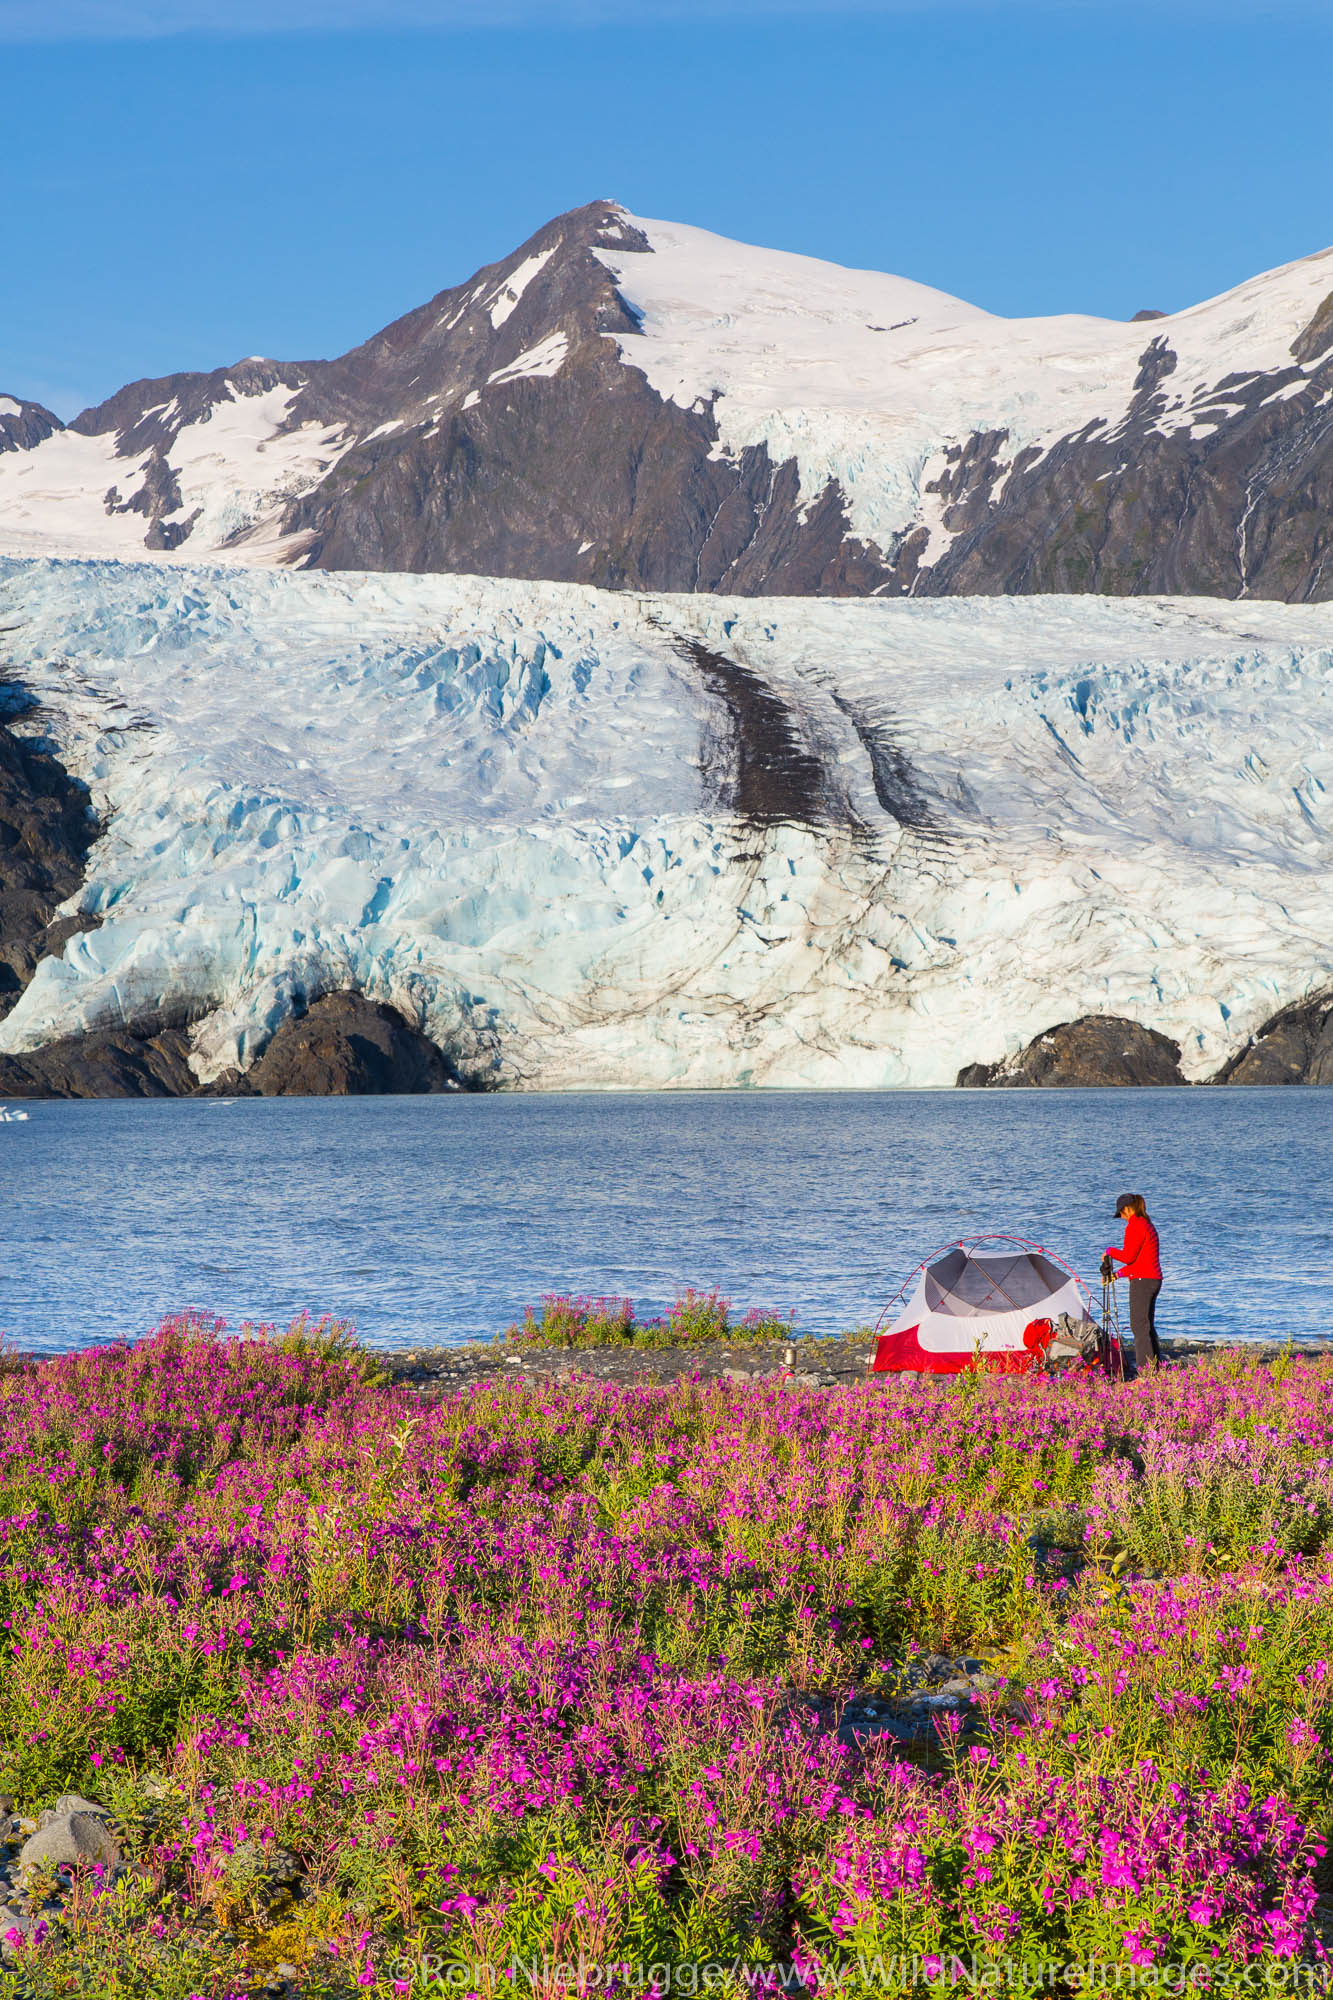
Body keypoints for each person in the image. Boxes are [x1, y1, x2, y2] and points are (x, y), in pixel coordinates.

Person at [1105, 1193, 1162, 1373]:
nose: (1121, 1217)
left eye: (1121, 1213)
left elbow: (1128, 1256)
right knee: (1146, 1326)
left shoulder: (1135, 1225)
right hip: (1152, 1279)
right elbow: (1140, 1261)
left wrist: (1109, 1251)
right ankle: (1156, 1368)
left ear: (1128, 1209)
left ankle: (1145, 1372)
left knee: (1138, 1326)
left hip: (1142, 1281)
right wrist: (1118, 1274)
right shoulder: (1147, 1225)